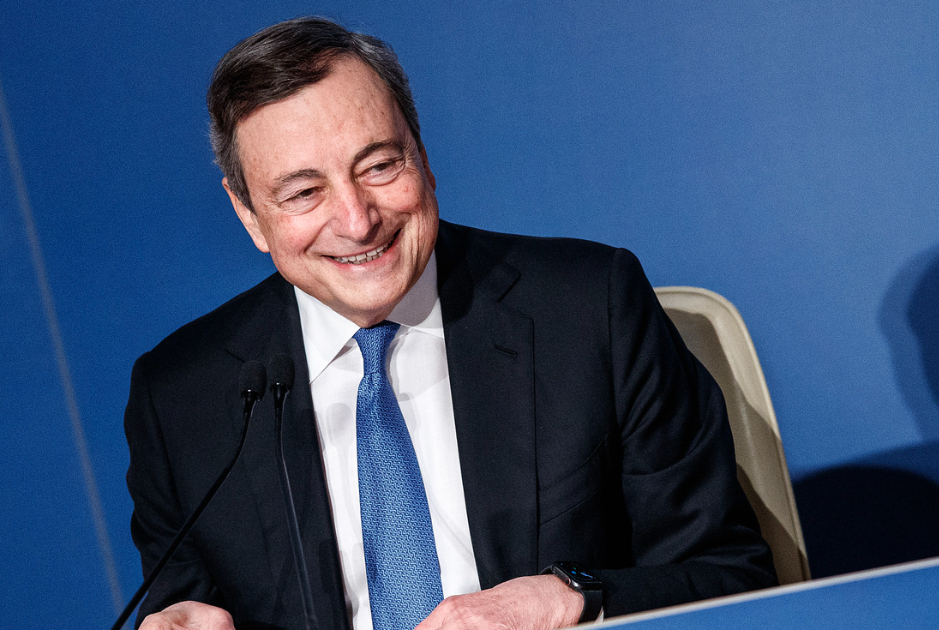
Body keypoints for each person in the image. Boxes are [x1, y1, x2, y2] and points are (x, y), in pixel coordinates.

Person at [125, 16, 775, 630]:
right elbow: (187, 609)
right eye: (304, 193)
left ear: (422, 153)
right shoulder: (182, 404)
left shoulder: (587, 312)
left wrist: (570, 598)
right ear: (248, 215)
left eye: (380, 166)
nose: (357, 220)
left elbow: (731, 577)